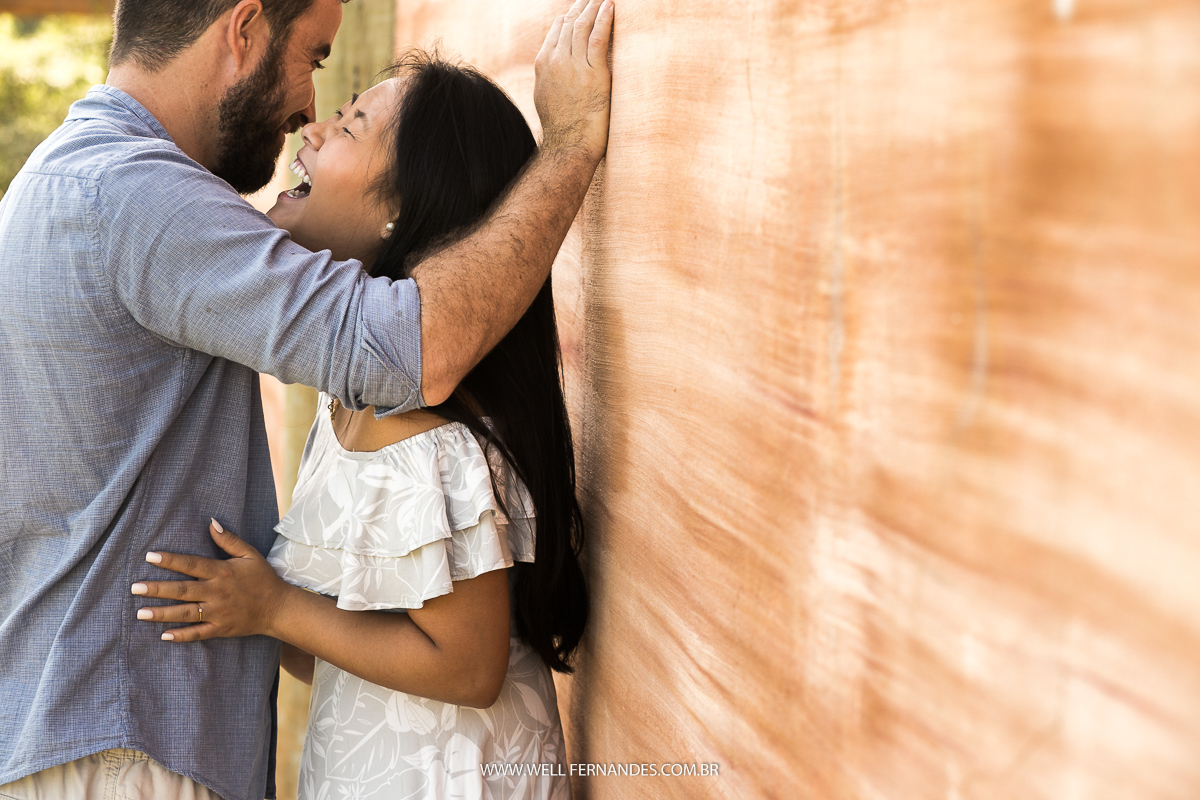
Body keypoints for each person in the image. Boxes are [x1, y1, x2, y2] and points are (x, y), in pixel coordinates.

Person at [0, 0, 613, 798]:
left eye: (349, 117)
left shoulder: (80, 178)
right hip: (120, 743)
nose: (309, 115)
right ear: (244, 29)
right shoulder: (135, 197)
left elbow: (444, 651)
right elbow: (408, 348)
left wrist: (279, 608)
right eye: (315, 61)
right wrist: (568, 145)